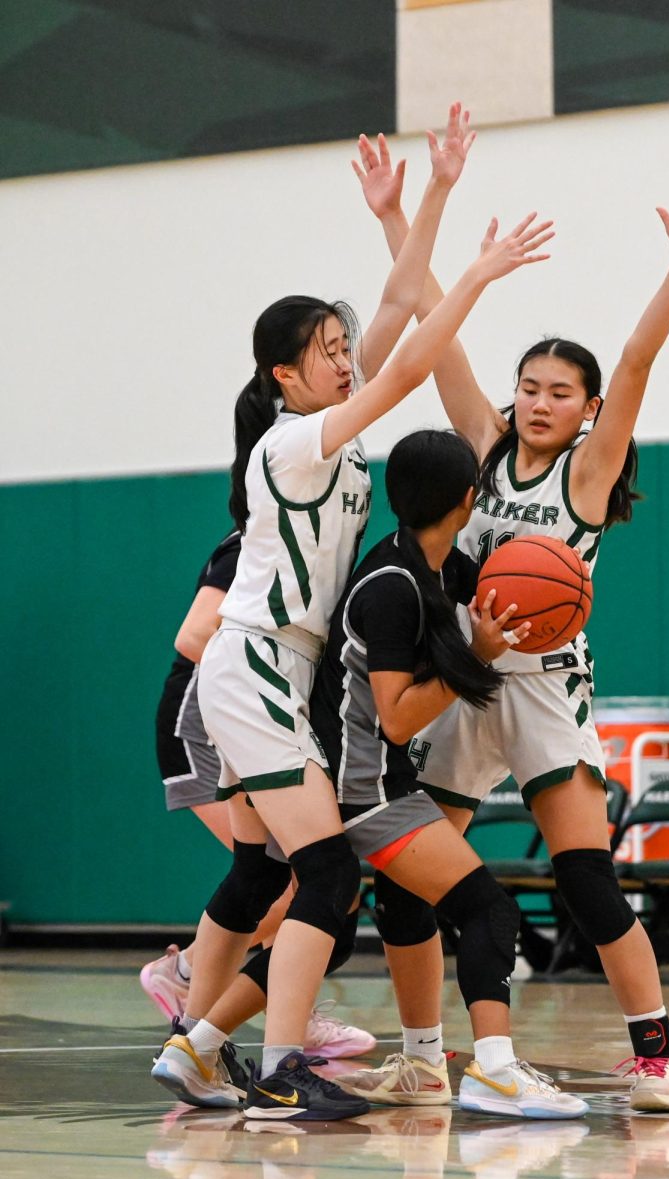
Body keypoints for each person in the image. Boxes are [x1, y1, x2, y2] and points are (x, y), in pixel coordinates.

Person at [152, 102, 555, 1122]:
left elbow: (394, 309)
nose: (345, 355)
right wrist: (481, 272)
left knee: (272, 870)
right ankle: (277, 1060)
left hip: (284, 679)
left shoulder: (329, 421)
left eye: (343, 344)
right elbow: (416, 359)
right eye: (327, 349)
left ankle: (200, 1046)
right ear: (285, 375)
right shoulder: (291, 441)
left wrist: (427, 196)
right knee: (325, 871)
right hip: (251, 668)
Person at [356, 152, 669, 1113]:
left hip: (542, 685)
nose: (536, 400)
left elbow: (639, 360)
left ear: (586, 411)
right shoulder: (482, 451)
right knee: (407, 882)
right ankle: (416, 1054)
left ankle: (656, 1057)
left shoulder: (586, 474)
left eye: (557, 391)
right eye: (529, 385)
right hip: (458, 682)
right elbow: (440, 344)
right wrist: (399, 217)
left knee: (586, 877)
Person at [310, 428, 587, 1119]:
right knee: (487, 908)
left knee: (382, 912)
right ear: (468, 500)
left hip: (376, 780)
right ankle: (492, 1068)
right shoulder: (391, 587)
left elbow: (512, 599)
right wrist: (480, 650)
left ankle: (424, 1066)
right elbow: (398, 718)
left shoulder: (438, 567)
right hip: (361, 788)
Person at [143, 528, 376, 1059]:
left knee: (296, 880)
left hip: (257, 718)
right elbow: (194, 635)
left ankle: (252, 1007)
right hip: (204, 723)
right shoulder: (256, 538)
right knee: (293, 880)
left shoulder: (315, 535)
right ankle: (189, 977)